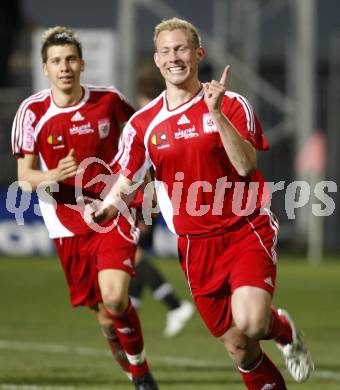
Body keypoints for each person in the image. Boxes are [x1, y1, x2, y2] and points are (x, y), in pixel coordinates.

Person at [86, 17, 315, 389]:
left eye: (181, 49)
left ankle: (283, 330)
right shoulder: (143, 123)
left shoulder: (230, 103)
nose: (174, 57)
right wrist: (108, 206)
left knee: (253, 322)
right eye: (166, 51)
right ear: (157, 60)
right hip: (195, 244)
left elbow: (245, 165)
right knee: (240, 347)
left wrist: (216, 113)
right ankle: (276, 341)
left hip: (244, 228)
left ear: (198, 54)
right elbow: (126, 177)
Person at [11, 26, 158, 390]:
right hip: (65, 221)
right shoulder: (31, 112)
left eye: (71, 59)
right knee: (106, 319)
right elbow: (25, 176)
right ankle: (134, 368)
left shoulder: (109, 101)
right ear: (45, 68)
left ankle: (141, 376)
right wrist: (52, 174)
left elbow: (141, 142)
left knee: (115, 297)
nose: (64, 67)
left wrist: (147, 194)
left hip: (113, 210)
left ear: (82, 64)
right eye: (56, 61)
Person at [128, 64, 194, 338]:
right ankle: (134, 311)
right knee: (133, 260)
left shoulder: (149, 119)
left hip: (147, 203)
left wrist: (146, 210)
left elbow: (147, 171)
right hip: (153, 201)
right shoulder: (166, 117)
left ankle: (175, 306)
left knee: (133, 258)